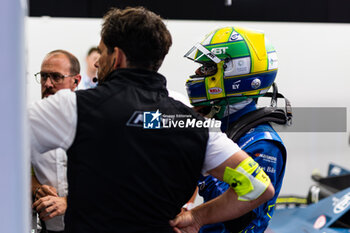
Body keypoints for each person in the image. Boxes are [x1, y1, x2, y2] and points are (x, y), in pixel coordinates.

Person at [29, 7, 275, 233]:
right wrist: (198, 217)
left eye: (102, 52)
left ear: (118, 57)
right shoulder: (193, 123)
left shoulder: (72, 107)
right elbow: (258, 187)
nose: (96, 61)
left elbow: (6, 139)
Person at [184, 26, 288, 232]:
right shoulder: (223, 127)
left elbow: (238, 218)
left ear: (235, 74)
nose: (197, 74)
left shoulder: (263, 144)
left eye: (206, 68)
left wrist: (202, 156)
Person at [31, 49, 81, 233]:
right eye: (43, 76)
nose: (47, 83)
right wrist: (35, 188)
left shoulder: (91, 121)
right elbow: (18, 168)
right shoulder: (32, 121)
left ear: (76, 81)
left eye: (56, 77)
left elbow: (109, 179)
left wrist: (68, 202)